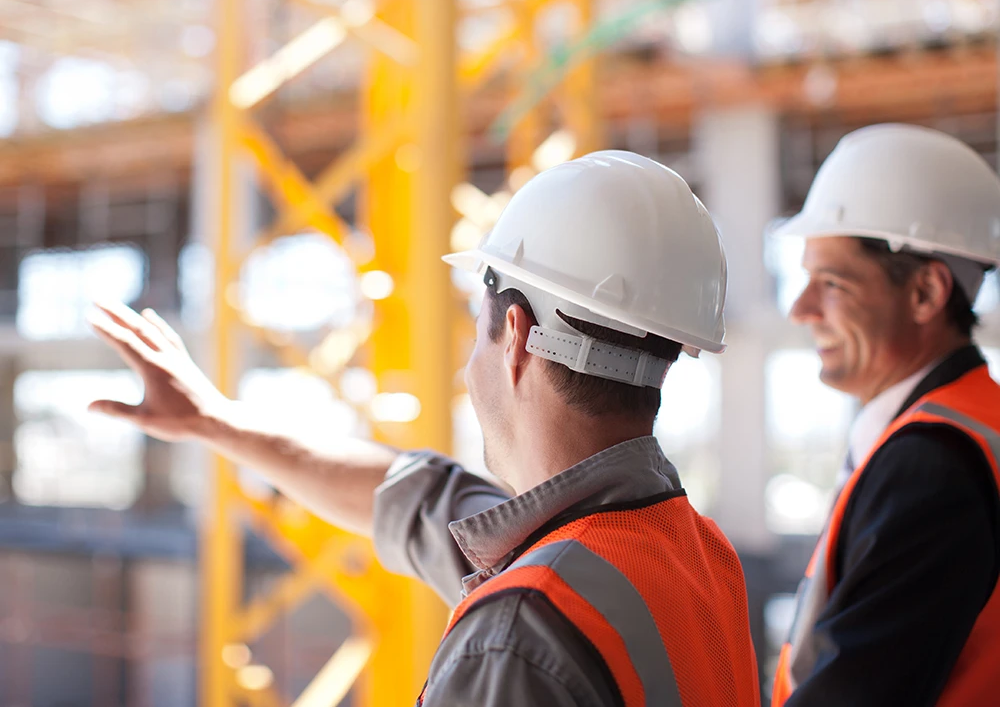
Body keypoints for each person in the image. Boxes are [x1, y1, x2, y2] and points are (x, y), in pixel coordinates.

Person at [89, 151, 760, 706]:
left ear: (516, 338)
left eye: (478, 333)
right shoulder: (691, 552)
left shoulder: (519, 631)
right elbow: (418, 498)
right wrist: (218, 422)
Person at [771, 124, 1000, 706]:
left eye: (831, 283)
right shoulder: (967, 427)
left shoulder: (932, 466)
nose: (800, 309)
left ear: (925, 293)